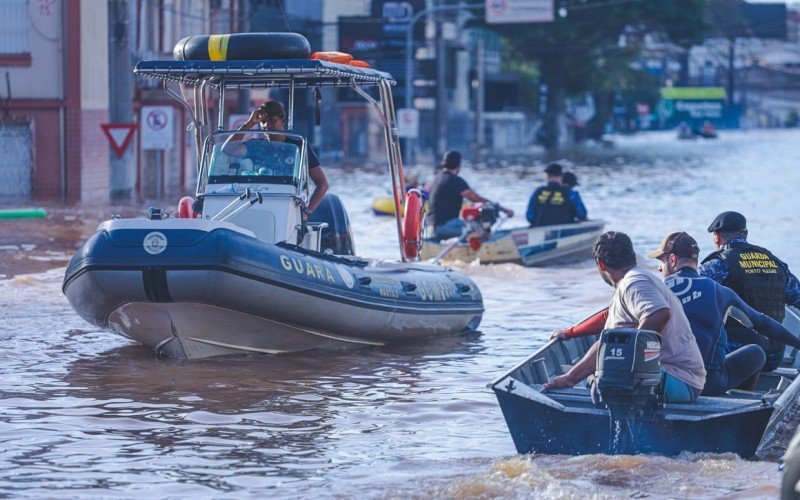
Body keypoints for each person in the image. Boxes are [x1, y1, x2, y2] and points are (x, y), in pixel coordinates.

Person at [544, 231, 706, 403]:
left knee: (603, 384)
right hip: (679, 379)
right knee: (602, 372)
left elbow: (660, 314)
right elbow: (605, 344)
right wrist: (570, 378)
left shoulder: (634, 283)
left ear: (601, 264)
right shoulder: (632, 282)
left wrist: (634, 357)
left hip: (680, 380)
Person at [650, 232, 800, 395]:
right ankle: (740, 403)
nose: (659, 267)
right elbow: (763, 324)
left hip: (664, 382)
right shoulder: (719, 291)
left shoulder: (652, 290)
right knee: (756, 352)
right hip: (709, 385)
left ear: (672, 260)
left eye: (661, 261)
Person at [699, 211, 800, 370]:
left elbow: (692, 295)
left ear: (717, 237)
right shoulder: (773, 261)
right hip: (774, 356)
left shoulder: (718, 264)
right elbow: (797, 297)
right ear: (745, 233)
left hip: (738, 353)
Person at [222, 101, 328, 218]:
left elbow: (322, 184)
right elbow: (228, 149)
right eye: (263, 122)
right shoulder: (257, 146)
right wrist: (249, 123)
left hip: (289, 205)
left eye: (272, 121)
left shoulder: (299, 146)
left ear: (282, 120)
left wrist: (306, 212)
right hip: (258, 203)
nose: (267, 126)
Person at [427, 150, 513, 240]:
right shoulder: (453, 180)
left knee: (471, 225)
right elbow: (474, 198)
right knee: (479, 230)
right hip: (445, 226)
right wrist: (503, 209)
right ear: (459, 164)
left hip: (431, 227)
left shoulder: (437, 178)